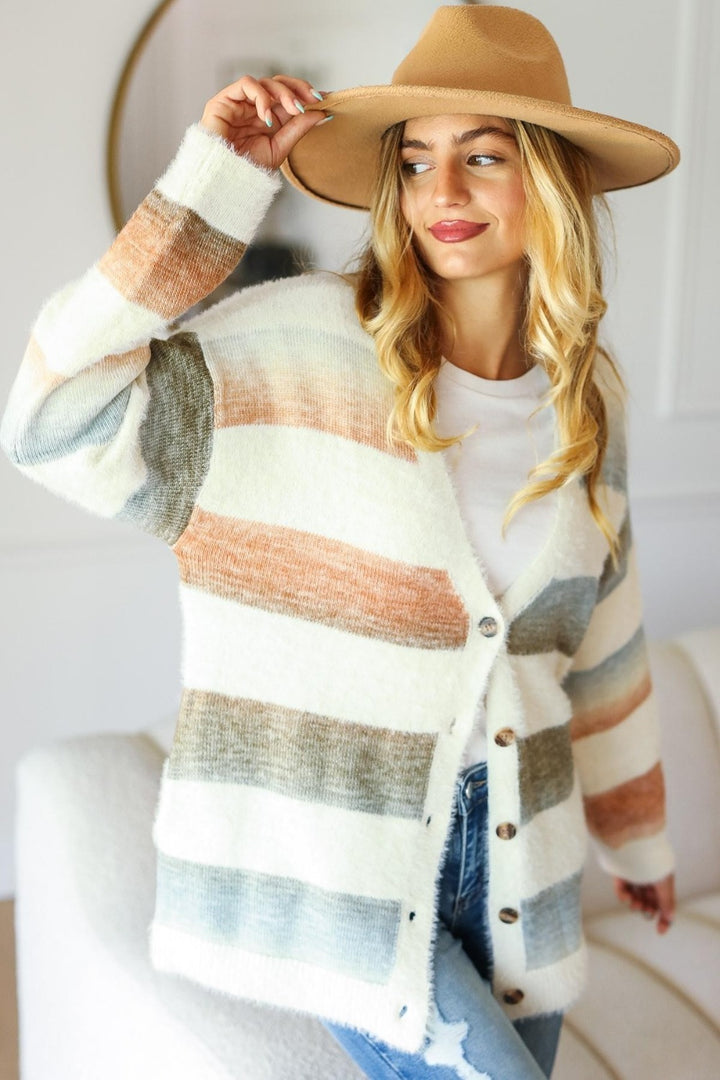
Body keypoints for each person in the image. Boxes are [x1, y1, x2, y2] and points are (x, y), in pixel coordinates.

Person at [1, 5, 679, 1078]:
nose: (440, 194)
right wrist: (210, 191)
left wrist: (635, 838)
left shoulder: (587, 401)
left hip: (520, 886)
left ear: (554, 182)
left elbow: (603, 637)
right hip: (337, 879)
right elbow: (50, 420)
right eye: (415, 162)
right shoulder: (294, 350)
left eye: (483, 156)